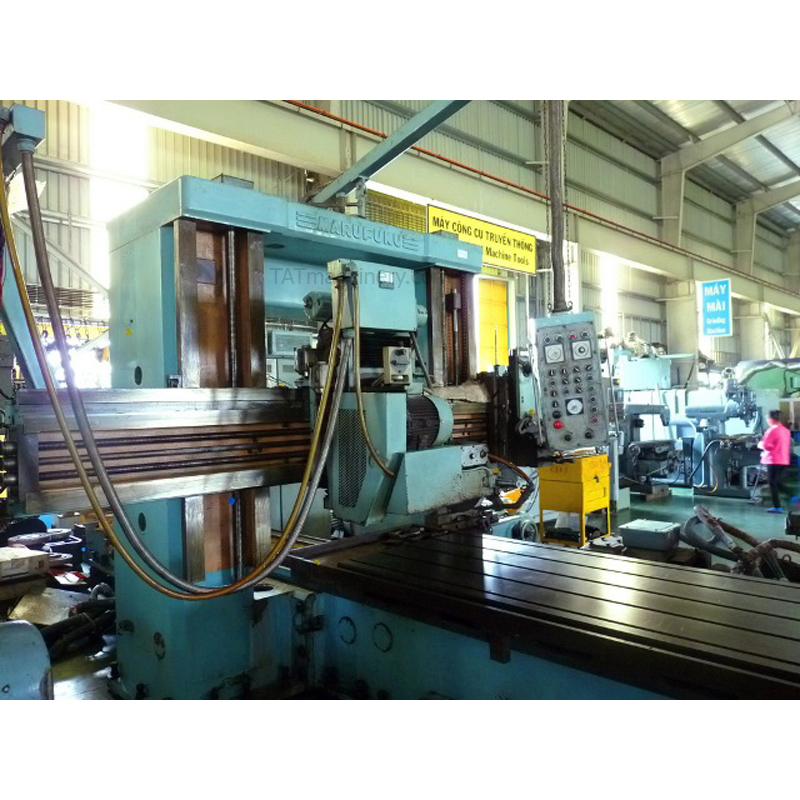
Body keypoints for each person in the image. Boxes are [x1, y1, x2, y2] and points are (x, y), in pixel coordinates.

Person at [757, 410, 792, 513]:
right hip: (784, 459)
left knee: (772, 483)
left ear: (771, 419)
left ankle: (777, 507)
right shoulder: (785, 430)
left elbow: (766, 445)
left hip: (773, 460)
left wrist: (759, 444)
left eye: (767, 418)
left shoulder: (772, 430)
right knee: (778, 482)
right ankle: (794, 497)